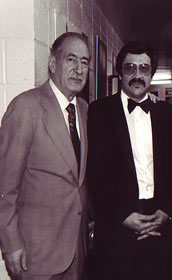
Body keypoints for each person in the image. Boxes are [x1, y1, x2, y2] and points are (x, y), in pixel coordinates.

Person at [87, 41, 172, 280]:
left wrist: (166, 213)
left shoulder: (166, 113)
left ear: (151, 73)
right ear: (120, 72)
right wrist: (123, 216)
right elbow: (95, 173)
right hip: (116, 229)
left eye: (144, 68)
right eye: (131, 68)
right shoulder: (99, 112)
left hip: (158, 226)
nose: (138, 75)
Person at [0, 32, 90, 280]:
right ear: (52, 63)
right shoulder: (26, 107)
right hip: (36, 253)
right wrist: (11, 244)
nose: (78, 69)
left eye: (84, 62)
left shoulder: (84, 110)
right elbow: (5, 187)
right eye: (70, 59)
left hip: (76, 252)